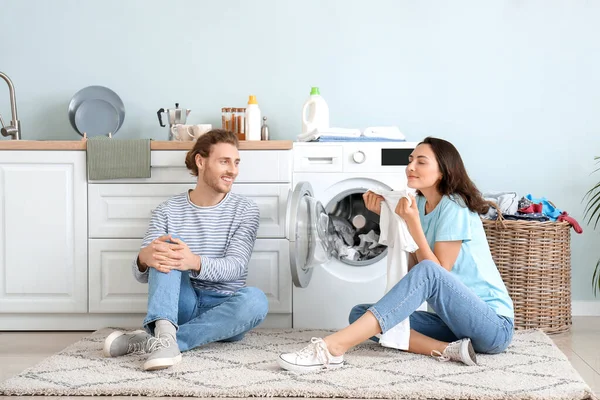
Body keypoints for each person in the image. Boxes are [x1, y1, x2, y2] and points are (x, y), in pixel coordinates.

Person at [278, 137, 514, 373]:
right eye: (410, 160)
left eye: (421, 162)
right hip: (452, 324)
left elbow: (438, 273)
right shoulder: (419, 205)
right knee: (359, 315)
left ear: (443, 171)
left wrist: (411, 223)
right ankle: (447, 350)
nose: (410, 167)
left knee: (428, 273)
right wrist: (397, 220)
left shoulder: (455, 206)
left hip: (493, 327)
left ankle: (332, 347)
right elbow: (415, 272)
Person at [103, 129, 268, 371]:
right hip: (179, 304)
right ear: (201, 162)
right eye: (224, 162)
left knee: (256, 301)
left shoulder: (246, 210)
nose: (233, 170)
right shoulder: (167, 210)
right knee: (166, 246)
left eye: (236, 162)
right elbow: (142, 273)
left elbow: (236, 267)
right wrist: (142, 259)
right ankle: (166, 334)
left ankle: (159, 341)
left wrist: (194, 262)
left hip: (225, 310)